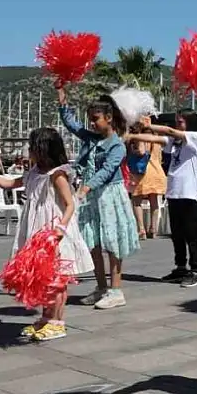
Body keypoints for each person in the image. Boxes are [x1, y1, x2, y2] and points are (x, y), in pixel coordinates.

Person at [0, 128, 93, 340]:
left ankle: (57, 322)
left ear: (43, 150)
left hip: (52, 231)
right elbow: (9, 183)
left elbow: (69, 205)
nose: (28, 150)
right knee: (43, 277)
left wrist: (60, 229)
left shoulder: (57, 174)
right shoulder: (33, 173)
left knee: (57, 278)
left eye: (32, 147)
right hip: (35, 229)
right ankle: (45, 318)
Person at [58, 85, 139, 310]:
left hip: (109, 196)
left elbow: (107, 171)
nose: (92, 124)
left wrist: (86, 188)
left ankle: (116, 290)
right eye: (90, 119)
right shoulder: (91, 138)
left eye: (96, 119)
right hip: (92, 198)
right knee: (92, 242)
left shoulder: (117, 146)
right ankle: (101, 287)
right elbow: (71, 123)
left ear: (109, 118)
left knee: (113, 244)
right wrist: (62, 100)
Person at [149, 109, 197, 288]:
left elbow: (170, 132)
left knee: (192, 234)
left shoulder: (195, 137)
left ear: (189, 123)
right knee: (177, 234)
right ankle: (181, 267)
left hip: (189, 194)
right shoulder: (175, 142)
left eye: (180, 122)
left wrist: (149, 125)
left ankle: (195, 270)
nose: (176, 125)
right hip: (173, 193)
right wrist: (134, 136)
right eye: (176, 121)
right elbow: (158, 139)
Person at [127, 116, 167, 240]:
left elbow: (141, 152)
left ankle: (141, 229)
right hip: (157, 172)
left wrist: (131, 148)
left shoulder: (141, 139)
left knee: (136, 201)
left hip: (142, 173)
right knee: (154, 202)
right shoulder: (157, 141)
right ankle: (153, 229)